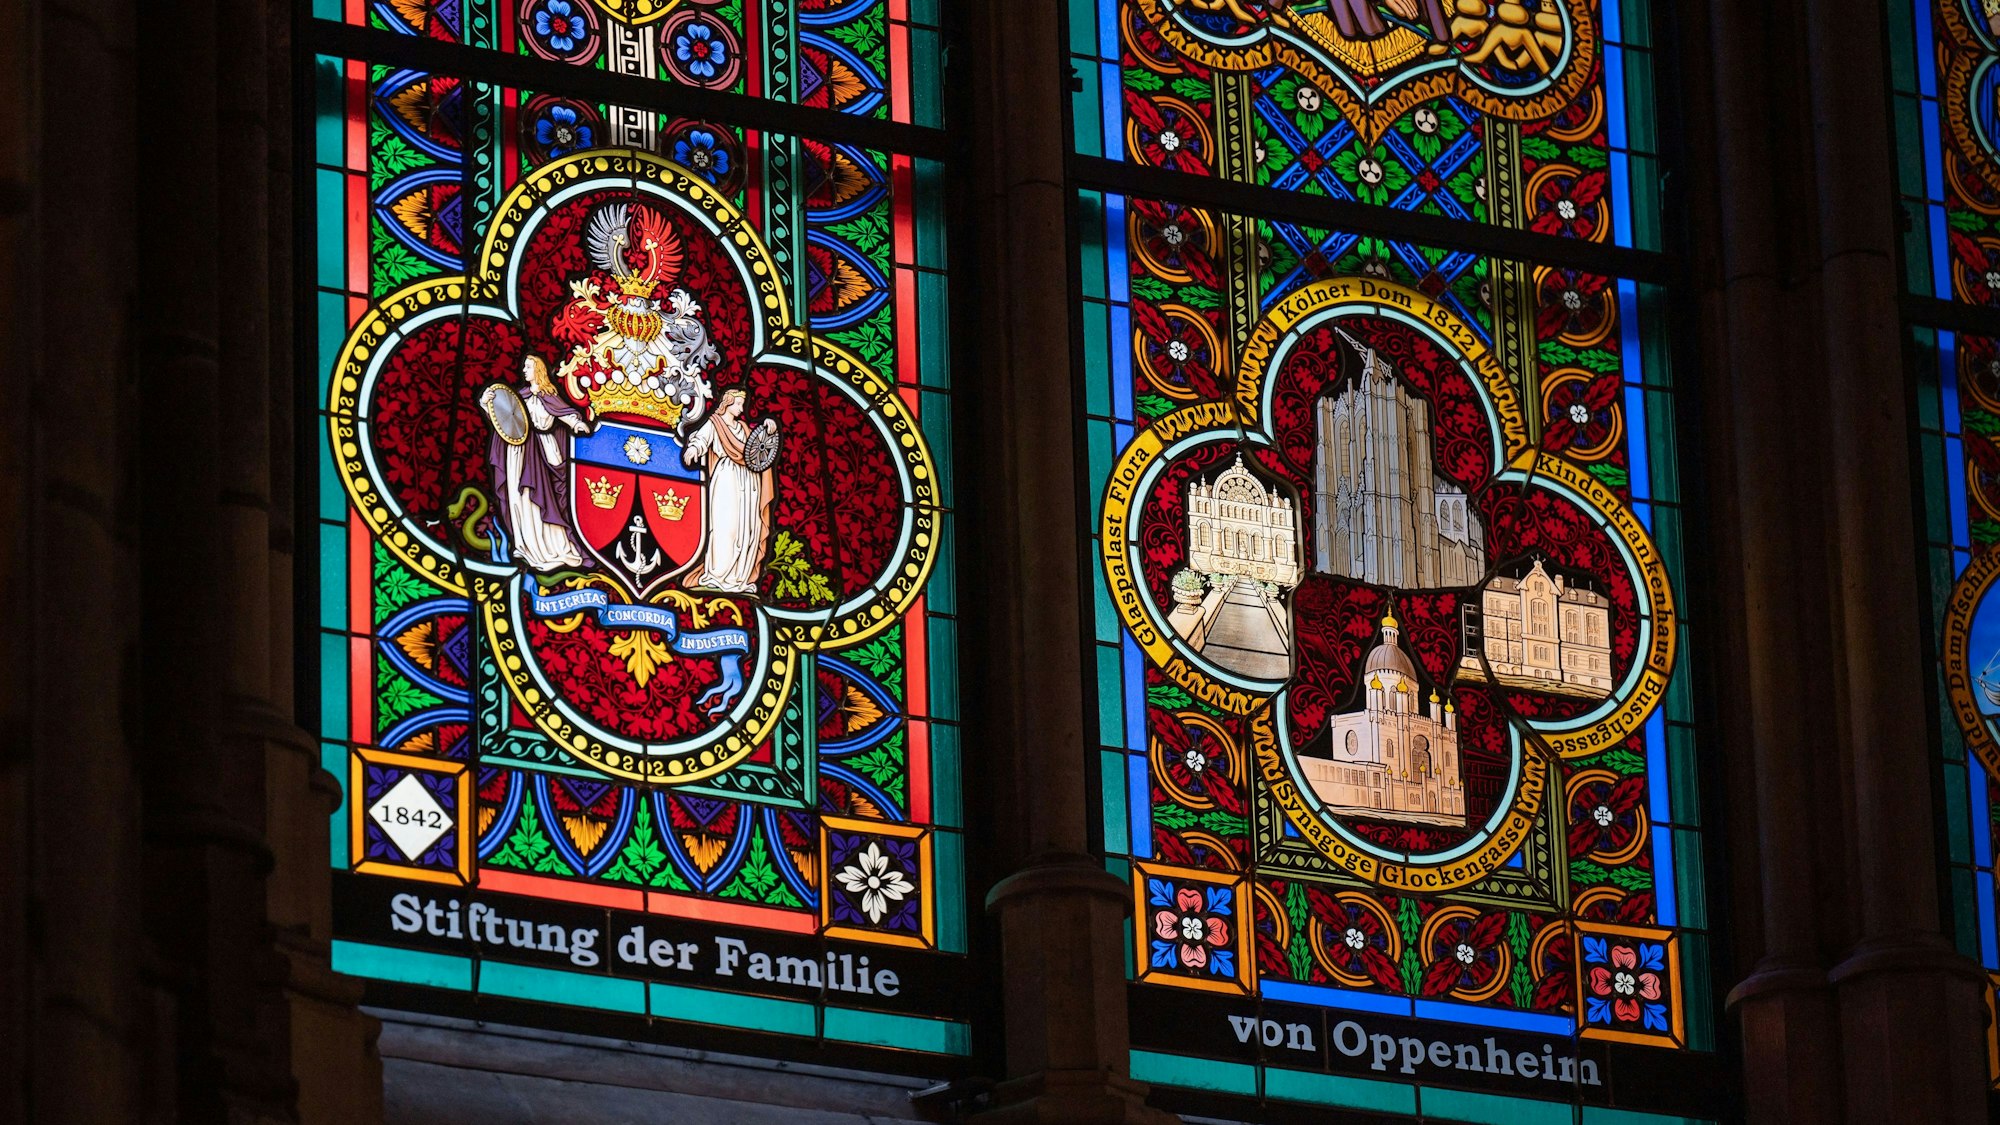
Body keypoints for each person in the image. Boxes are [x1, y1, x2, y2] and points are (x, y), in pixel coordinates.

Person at [488, 354, 591, 572]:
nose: (524, 370)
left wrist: (577, 424)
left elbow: (565, 413)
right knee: (517, 498)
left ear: (539, 370)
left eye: (528, 366)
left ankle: (549, 548)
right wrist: (486, 401)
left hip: (540, 453)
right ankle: (525, 545)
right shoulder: (520, 396)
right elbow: (503, 418)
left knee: (537, 499)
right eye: (524, 366)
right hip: (517, 452)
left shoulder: (549, 395)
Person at [682, 387, 776, 593]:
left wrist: (770, 428)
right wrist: (693, 449)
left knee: (748, 529)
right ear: (728, 402)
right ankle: (717, 574)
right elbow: (701, 439)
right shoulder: (715, 423)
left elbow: (758, 449)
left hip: (750, 482)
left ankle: (740, 578)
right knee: (727, 526)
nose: (742, 408)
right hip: (726, 478)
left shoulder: (743, 427)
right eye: (739, 404)